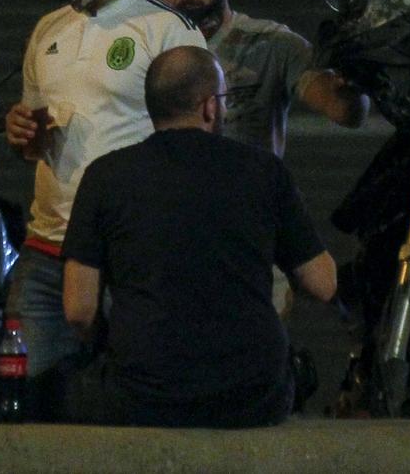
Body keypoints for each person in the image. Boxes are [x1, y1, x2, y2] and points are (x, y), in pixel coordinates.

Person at [54, 45, 337, 426]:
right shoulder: (264, 172)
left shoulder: (105, 176)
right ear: (209, 107)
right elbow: (323, 283)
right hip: (253, 394)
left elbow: (78, 310)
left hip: (141, 393)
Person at [3, 0, 206, 397]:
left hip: (132, 258)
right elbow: (34, 144)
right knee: (32, 406)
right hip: (46, 252)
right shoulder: (46, 31)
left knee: (138, 407)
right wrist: (22, 135)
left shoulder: (166, 31)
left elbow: (198, 150)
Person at [150, 0, 369, 158]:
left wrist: (353, 77)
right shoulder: (148, 48)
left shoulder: (272, 43)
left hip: (252, 195)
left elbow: (345, 112)